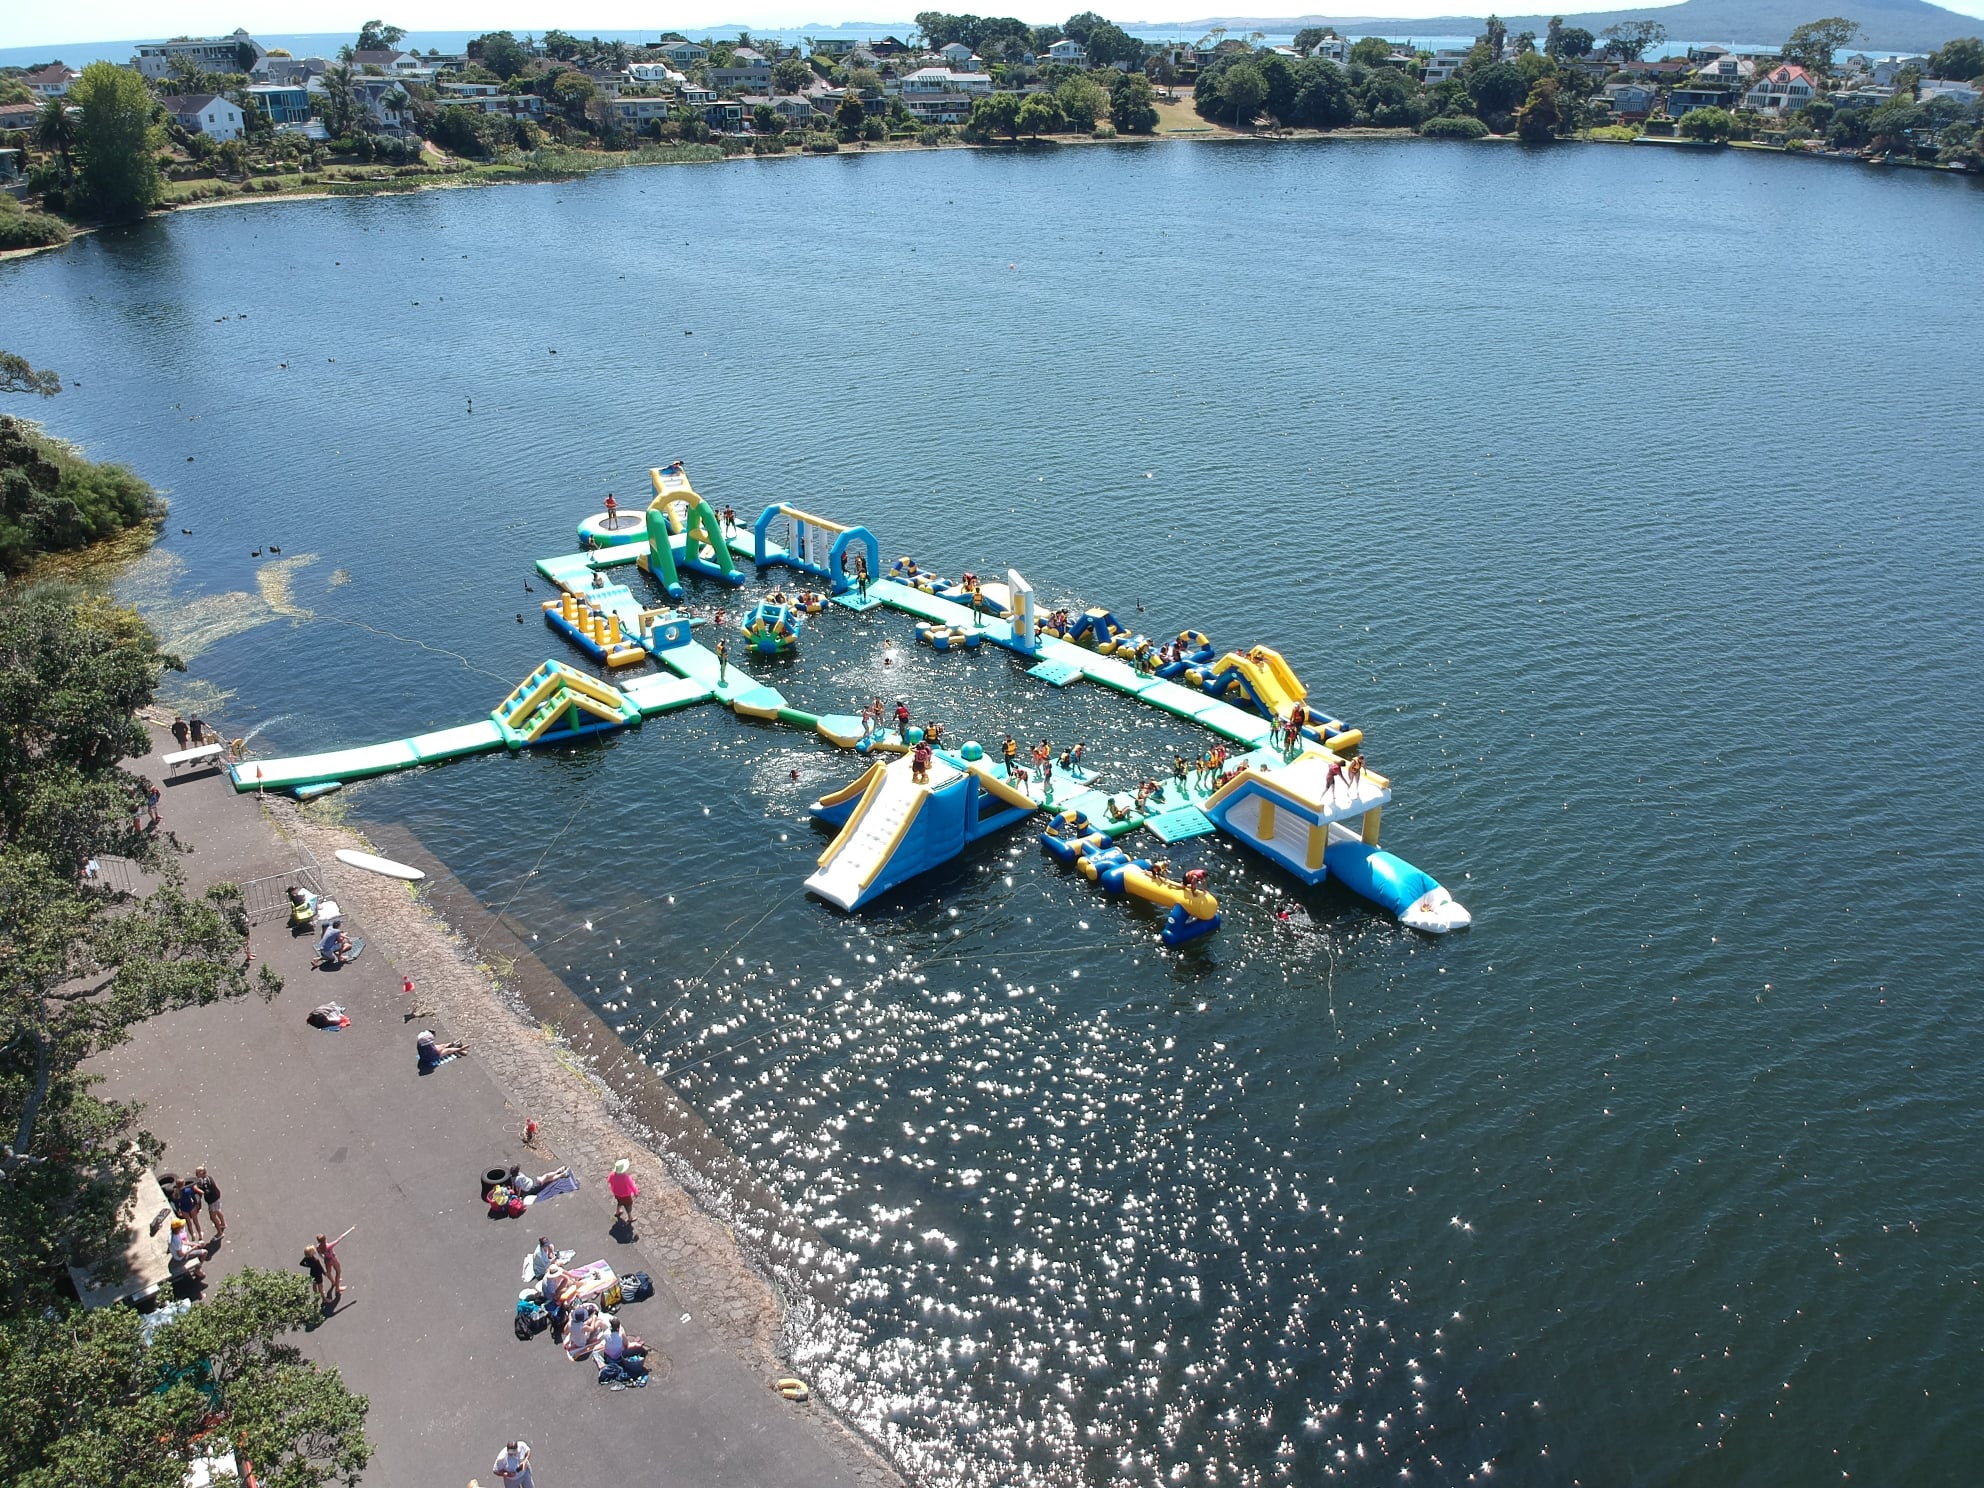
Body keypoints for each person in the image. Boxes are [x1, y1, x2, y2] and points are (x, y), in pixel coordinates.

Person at [316, 1227, 350, 1295]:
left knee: (329, 1272)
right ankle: (337, 1288)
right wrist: (350, 1229)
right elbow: (340, 1238)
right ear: (325, 1239)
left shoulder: (318, 1247)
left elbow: (320, 1254)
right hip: (333, 1259)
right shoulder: (329, 1246)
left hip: (327, 1261)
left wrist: (324, 1257)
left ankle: (333, 1282)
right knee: (338, 1272)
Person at [608, 1157, 639, 1228]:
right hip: (626, 1195)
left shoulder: (612, 1175)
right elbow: (632, 1186)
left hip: (616, 1193)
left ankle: (617, 1212)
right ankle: (630, 1217)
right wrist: (636, 1192)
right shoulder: (626, 1178)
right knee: (628, 1206)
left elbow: (609, 1180)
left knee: (619, 1202)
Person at [504, 1163, 572, 1196]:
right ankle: (560, 1172)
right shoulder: (518, 1179)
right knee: (546, 1176)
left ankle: (560, 1173)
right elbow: (519, 1188)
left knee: (548, 1179)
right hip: (531, 1185)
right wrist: (518, 1196)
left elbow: (516, 1187)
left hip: (531, 1181)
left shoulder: (514, 1178)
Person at [195, 1165, 225, 1239]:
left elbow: (206, 1192)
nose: (196, 1174)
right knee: (217, 1210)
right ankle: (223, 1223)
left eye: (197, 1173)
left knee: (212, 1217)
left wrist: (197, 1190)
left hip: (212, 1200)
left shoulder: (204, 1183)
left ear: (202, 1173)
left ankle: (220, 1233)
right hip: (216, 1197)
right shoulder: (208, 1177)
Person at [175, 1175, 205, 1243]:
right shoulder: (188, 1190)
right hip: (191, 1207)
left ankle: (192, 1235)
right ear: (183, 1184)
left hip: (184, 1209)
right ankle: (200, 1234)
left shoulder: (176, 1193)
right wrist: (196, 1204)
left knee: (189, 1223)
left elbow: (177, 1204)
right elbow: (193, 1197)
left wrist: (178, 1210)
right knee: (196, 1221)